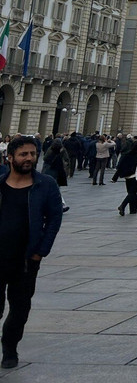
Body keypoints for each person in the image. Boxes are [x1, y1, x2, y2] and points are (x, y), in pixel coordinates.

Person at [0, 136, 64, 369]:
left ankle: (9, 348)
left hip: (26, 260)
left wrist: (40, 252)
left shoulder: (45, 184)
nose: (29, 158)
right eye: (23, 154)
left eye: (32, 154)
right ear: (10, 158)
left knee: (20, 309)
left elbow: (55, 218)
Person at [111, 138, 137, 216]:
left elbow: (120, 166)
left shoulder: (128, 154)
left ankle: (133, 209)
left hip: (127, 175)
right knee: (133, 192)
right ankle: (122, 206)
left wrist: (115, 177)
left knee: (131, 192)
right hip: (135, 174)